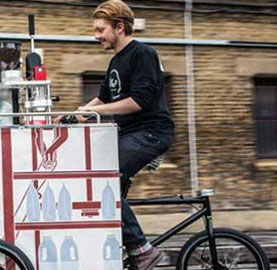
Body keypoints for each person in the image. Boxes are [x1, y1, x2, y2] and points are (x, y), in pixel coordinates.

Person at [55, 1, 174, 269]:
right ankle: (125, 247)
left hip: (150, 133)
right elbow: (104, 97)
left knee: (104, 182)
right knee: (106, 188)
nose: (95, 36)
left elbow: (138, 101)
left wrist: (95, 113)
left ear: (119, 27)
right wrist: (76, 112)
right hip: (130, 134)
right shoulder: (115, 61)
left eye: (100, 30)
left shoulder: (142, 54)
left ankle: (142, 250)